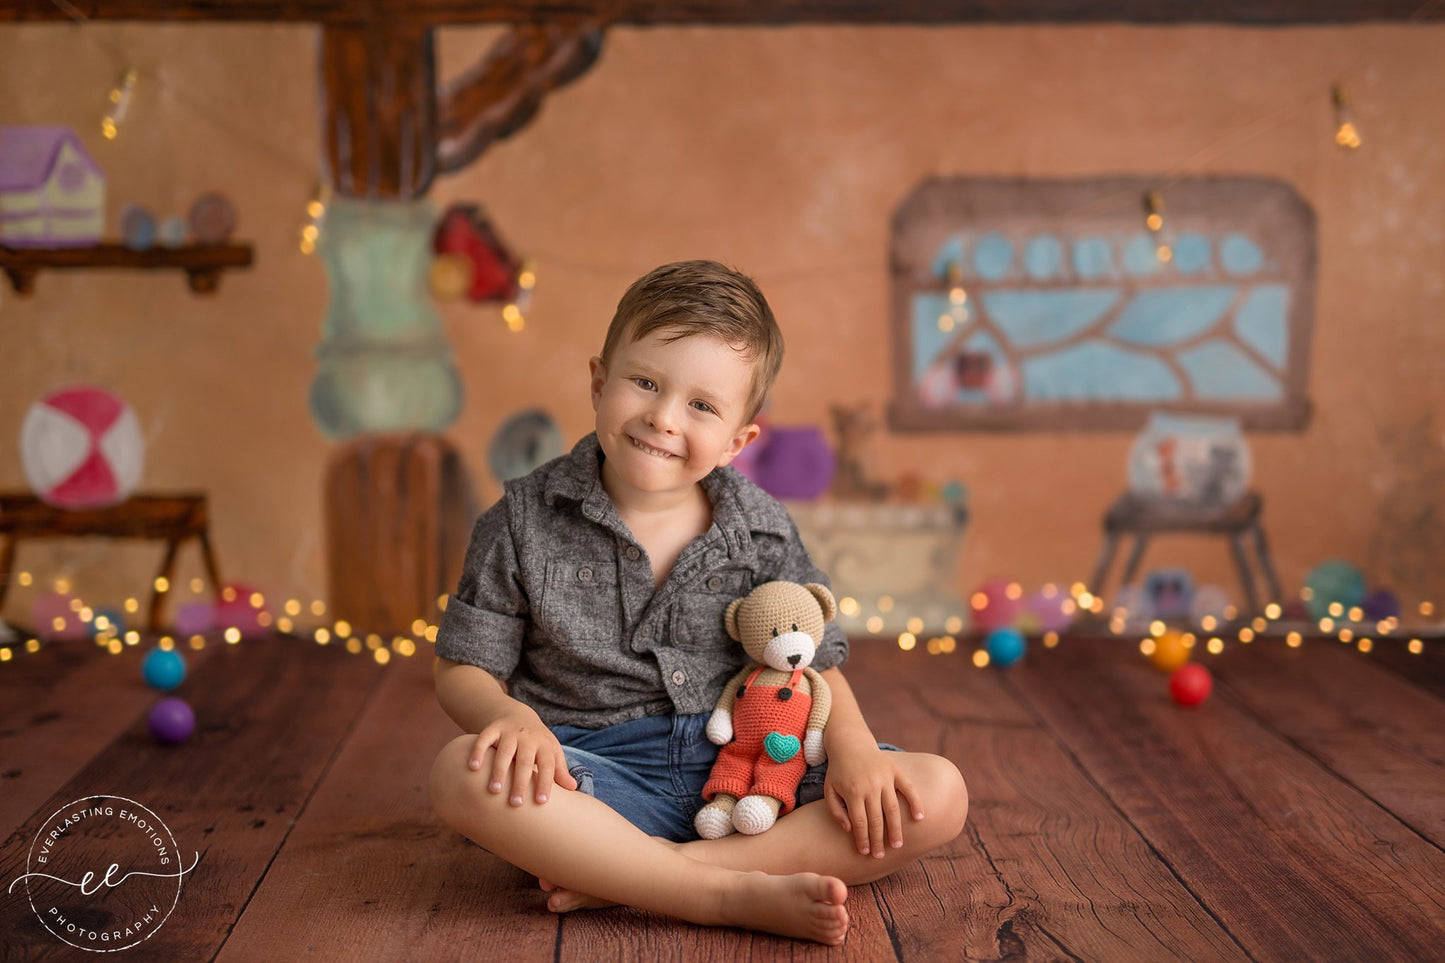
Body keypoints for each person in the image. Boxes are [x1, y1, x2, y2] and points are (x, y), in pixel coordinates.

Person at [429, 260, 968, 946]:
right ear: (598, 381)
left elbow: (812, 658)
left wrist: (855, 748)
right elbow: (462, 667)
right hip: (597, 776)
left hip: (760, 763)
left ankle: (655, 874)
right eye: (645, 382)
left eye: (701, 405)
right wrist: (509, 718)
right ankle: (716, 893)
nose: (661, 417)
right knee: (458, 774)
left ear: (740, 440)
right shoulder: (520, 521)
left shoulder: (762, 527)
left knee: (936, 790)